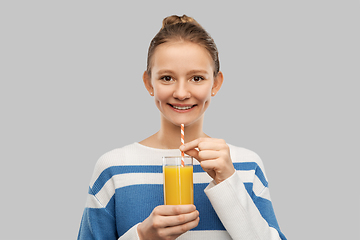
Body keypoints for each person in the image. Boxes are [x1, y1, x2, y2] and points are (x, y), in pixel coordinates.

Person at [77, 14, 287, 240]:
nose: (181, 93)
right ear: (149, 83)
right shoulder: (114, 168)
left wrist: (229, 180)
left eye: (197, 78)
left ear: (215, 84)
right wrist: (142, 236)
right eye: (167, 78)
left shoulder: (246, 165)